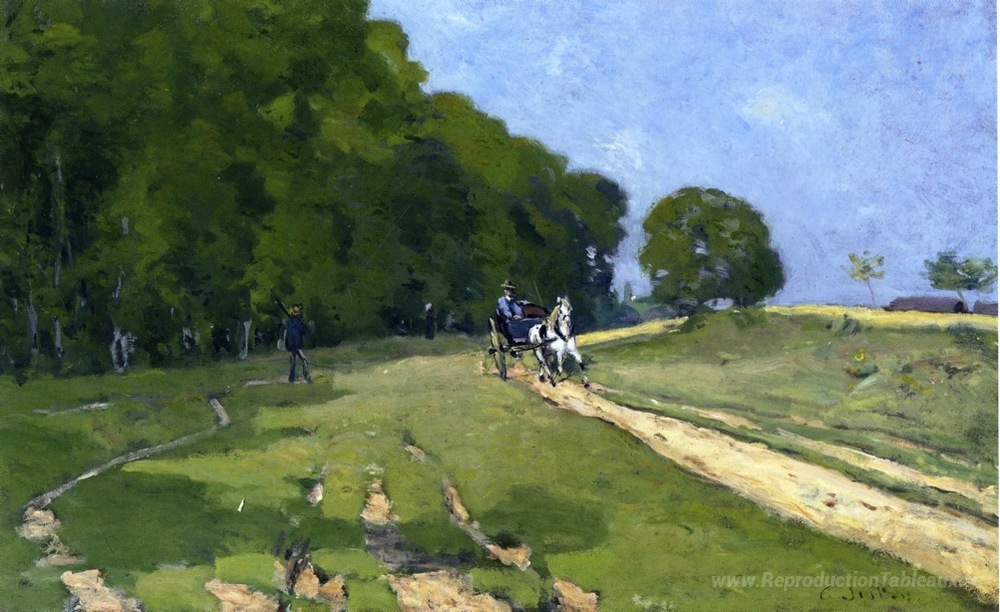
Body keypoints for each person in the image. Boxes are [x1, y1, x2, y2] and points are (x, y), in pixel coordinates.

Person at [276, 299, 311, 383]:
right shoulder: (297, 322)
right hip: (296, 345)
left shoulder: (290, 321)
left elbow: (285, 312)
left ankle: (292, 378)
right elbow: (306, 332)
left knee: (293, 362)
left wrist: (280, 305)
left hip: (291, 345)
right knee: (303, 359)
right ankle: (306, 377)